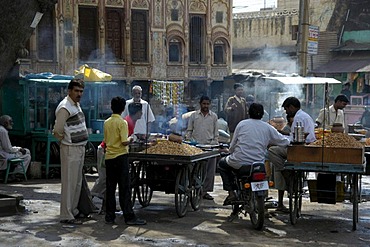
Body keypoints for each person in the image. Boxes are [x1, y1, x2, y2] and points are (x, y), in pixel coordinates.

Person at [218, 103, 290, 205]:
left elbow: (233, 145)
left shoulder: (242, 124)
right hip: (258, 164)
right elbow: (283, 141)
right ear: (262, 114)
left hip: (239, 162)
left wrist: (229, 151)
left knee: (222, 164)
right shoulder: (268, 127)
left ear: (248, 113)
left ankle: (231, 193)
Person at [268, 97, 316, 212]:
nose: (286, 112)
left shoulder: (298, 118)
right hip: (305, 147)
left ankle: (284, 171)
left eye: (286, 109)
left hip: (300, 149)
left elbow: (293, 139)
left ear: (292, 107)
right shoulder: (305, 115)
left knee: (272, 151)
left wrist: (278, 139)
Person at [104, 96, 146, 225]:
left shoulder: (106, 122)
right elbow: (124, 142)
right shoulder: (122, 123)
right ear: (123, 109)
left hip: (109, 157)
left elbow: (106, 141)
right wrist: (131, 139)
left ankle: (109, 216)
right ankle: (129, 216)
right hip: (120, 157)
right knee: (124, 188)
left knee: (110, 189)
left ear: (111, 107)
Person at [53, 78, 89, 225]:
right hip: (70, 149)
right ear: (69, 91)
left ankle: (73, 211)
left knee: (77, 182)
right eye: (76, 91)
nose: (79, 94)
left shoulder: (76, 105)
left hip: (79, 148)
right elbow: (57, 130)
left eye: (81, 91)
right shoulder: (65, 107)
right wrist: (64, 141)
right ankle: (66, 214)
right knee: (69, 182)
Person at [186, 96, 219, 200]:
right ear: (200, 104)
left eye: (207, 104)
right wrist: (189, 140)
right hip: (196, 147)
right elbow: (189, 130)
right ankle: (192, 187)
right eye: (204, 104)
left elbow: (216, 133)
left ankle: (205, 191)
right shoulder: (194, 115)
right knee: (194, 169)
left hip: (209, 146)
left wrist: (214, 144)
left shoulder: (213, 117)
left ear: (210, 104)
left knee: (209, 170)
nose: (205, 106)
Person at [0, 115, 31, 180]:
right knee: (27, 155)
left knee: (25, 152)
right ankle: (17, 173)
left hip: (2, 153)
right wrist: (19, 149)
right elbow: (8, 148)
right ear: (5, 123)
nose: (12, 123)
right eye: (10, 122)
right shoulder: (3, 131)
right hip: (3, 155)